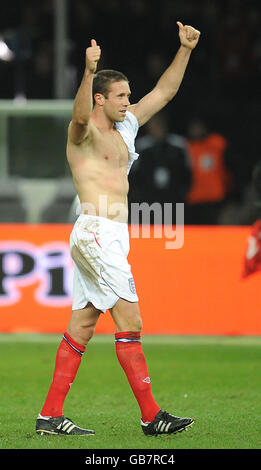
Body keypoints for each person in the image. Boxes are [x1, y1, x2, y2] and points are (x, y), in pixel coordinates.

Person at [36, 21, 200, 437]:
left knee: (83, 326)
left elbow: (164, 92)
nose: (129, 103)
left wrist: (185, 50)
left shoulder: (125, 128)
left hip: (110, 236)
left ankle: (49, 417)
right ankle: (152, 416)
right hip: (95, 231)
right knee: (131, 320)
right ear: (99, 98)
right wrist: (89, 69)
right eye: (122, 96)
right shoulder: (83, 135)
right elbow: (76, 116)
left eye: (129, 95)